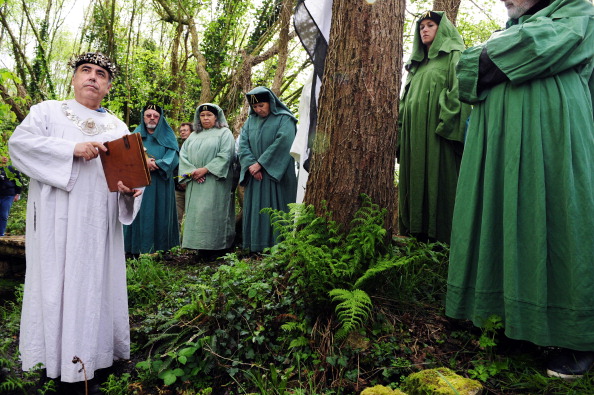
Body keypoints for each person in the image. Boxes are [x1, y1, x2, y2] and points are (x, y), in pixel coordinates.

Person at [445, 0, 594, 379]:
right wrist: (488, 57)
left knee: (560, 221)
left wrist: (485, 56)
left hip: (554, 144)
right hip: (501, 146)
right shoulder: (519, 26)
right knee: (505, 219)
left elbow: (528, 48)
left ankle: (578, 338)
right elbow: (475, 69)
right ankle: (511, 320)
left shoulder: (579, 13)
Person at [9, 52, 143, 392]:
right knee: (56, 283)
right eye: (86, 70)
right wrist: (71, 150)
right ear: (73, 78)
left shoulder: (118, 127)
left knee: (94, 285)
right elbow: (19, 146)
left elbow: (132, 180)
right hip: (57, 220)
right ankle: (51, 362)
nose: (93, 77)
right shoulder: (47, 111)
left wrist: (129, 191)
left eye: (101, 74)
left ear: (108, 86)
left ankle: (94, 361)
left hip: (99, 225)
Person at [397, 11, 471, 244]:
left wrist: (445, 122)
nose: (425, 30)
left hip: (438, 135)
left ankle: (443, 243)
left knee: (440, 180)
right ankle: (414, 237)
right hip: (413, 136)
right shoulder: (416, 65)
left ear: (443, 29)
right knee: (414, 181)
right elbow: (404, 99)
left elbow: (460, 89)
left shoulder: (454, 54)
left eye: (430, 25)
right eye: (421, 27)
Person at [238, 86, 297, 252]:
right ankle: (254, 246)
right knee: (256, 210)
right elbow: (243, 144)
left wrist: (261, 164)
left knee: (277, 209)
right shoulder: (250, 121)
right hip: (254, 175)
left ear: (270, 102)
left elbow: (284, 141)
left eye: (261, 106)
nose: (258, 109)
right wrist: (251, 165)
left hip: (277, 175)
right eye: (255, 107)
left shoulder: (285, 119)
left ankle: (279, 247)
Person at [179, 104, 235, 258]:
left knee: (213, 213)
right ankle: (199, 248)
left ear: (216, 117)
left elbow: (226, 155)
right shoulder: (193, 136)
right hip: (195, 182)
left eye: (209, 115)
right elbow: (183, 156)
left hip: (215, 182)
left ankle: (216, 249)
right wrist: (191, 173)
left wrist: (205, 169)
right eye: (202, 115)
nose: (205, 118)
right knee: (197, 215)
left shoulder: (224, 133)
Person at [124, 103, 180, 255]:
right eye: (149, 115)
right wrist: (144, 162)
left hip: (161, 183)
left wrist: (158, 164)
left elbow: (173, 157)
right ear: (143, 117)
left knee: (161, 214)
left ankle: (162, 250)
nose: (152, 118)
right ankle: (134, 249)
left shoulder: (168, 136)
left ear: (160, 118)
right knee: (139, 214)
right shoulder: (134, 135)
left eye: (156, 116)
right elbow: (126, 156)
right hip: (140, 183)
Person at [0, 155, 23, 236]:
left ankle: (1, 233)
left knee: (4, 214)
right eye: (2, 155)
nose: (4, 157)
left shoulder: (12, 168)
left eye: (6, 156)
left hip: (9, 194)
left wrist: (18, 194)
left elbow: (19, 181)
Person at [175, 122, 192, 226]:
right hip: (178, 188)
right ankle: (176, 241)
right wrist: (179, 181)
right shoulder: (177, 147)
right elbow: (175, 167)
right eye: (180, 131)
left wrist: (186, 180)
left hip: (193, 187)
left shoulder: (198, 147)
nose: (182, 133)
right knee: (176, 217)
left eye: (185, 130)